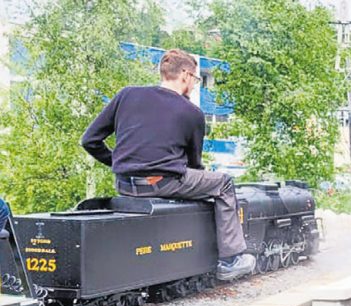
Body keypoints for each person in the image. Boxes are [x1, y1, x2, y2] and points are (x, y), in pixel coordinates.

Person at [81, 48, 255, 282]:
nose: (194, 85)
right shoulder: (192, 112)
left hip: (124, 185)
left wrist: (121, 163)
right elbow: (194, 165)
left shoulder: (126, 95)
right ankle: (231, 259)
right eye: (195, 79)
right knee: (223, 184)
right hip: (162, 184)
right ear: (184, 75)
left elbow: (89, 140)